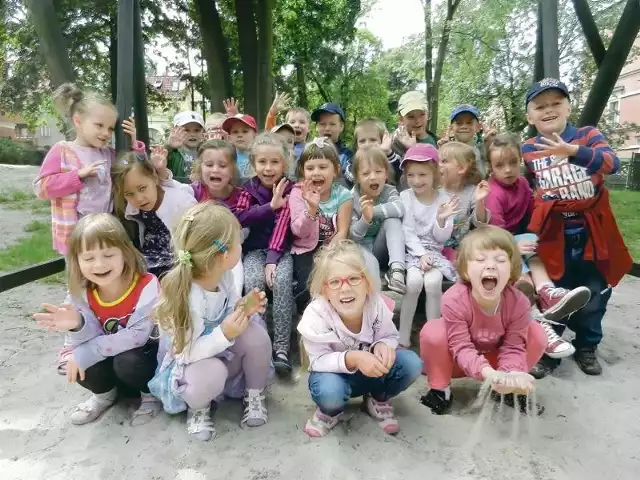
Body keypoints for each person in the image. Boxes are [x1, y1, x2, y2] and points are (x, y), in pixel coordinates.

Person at [521, 78, 632, 377]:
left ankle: (587, 346)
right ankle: (549, 350)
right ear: (529, 116)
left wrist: (572, 151)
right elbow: (525, 189)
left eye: (556, 103)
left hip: (591, 232)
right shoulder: (528, 150)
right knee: (554, 293)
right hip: (553, 234)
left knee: (595, 292)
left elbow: (612, 164)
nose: (548, 110)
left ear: (569, 106)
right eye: (539, 106)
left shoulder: (588, 135)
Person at [149, 203, 272, 441]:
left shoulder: (224, 275)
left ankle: (254, 394)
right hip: (194, 366)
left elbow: (227, 306)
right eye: (238, 242)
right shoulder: (188, 297)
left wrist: (245, 307)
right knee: (211, 372)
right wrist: (224, 334)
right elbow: (185, 354)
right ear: (224, 254)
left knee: (256, 336)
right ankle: (199, 408)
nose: (241, 246)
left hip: (222, 351)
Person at [34, 213, 161, 425]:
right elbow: (78, 343)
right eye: (89, 258)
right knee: (70, 363)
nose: (99, 265)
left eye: (109, 255)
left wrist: (85, 353)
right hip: (108, 364)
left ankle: (149, 396)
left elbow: (138, 336)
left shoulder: (146, 285)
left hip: (142, 365)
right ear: (76, 261)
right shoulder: (80, 291)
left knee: (126, 360)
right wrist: (77, 326)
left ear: (125, 252)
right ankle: (104, 395)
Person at [297, 240, 423, 437]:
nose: (345, 288)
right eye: (335, 282)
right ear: (324, 290)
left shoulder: (375, 303)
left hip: (372, 374)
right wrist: (353, 358)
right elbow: (318, 360)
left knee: (411, 363)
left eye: (353, 278)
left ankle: (377, 398)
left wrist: (383, 345)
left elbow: (389, 335)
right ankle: (329, 411)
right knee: (329, 393)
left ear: (366, 282)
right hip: (333, 377)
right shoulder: (316, 314)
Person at [484, 133, 591, 360]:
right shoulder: (493, 193)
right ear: (490, 167)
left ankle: (547, 291)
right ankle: (540, 326)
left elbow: (534, 214)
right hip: (494, 245)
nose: (508, 170)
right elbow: (493, 235)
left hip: (518, 240)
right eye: (500, 165)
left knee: (534, 248)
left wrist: (531, 237)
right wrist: (514, 245)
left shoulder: (522, 184)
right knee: (523, 284)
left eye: (513, 162)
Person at [419, 226, 546, 415]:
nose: (491, 265)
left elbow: (514, 347)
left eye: (501, 260)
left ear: (512, 269)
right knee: (434, 332)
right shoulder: (454, 298)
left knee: (537, 333)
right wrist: (487, 373)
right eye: (480, 259)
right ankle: (440, 390)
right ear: (465, 270)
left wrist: (510, 374)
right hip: (457, 361)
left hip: (497, 358)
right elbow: (460, 346)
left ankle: (508, 390)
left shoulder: (518, 302)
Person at [33, 83, 143, 256]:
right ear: (78, 120)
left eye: (110, 128)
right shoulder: (62, 151)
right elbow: (41, 188)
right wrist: (77, 176)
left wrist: (134, 143)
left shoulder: (108, 154)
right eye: (99, 125)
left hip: (104, 231)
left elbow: (132, 167)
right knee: (79, 279)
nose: (106, 133)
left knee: (101, 276)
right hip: (74, 235)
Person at [149, 140, 246, 296]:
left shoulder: (241, 196)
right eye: (209, 165)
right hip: (199, 255)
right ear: (200, 167)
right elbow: (172, 187)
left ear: (233, 169)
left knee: (233, 273)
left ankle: (233, 304)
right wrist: (161, 170)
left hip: (227, 251)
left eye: (222, 166)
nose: (215, 170)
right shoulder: (193, 192)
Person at [234, 133, 295, 375]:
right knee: (252, 282)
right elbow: (239, 217)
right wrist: (269, 207)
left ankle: (281, 348)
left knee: (281, 282)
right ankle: (257, 343)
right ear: (253, 163)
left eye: (274, 162)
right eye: (262, 162)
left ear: (284, 163)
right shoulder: (247, 190)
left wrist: (272, 260)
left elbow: (283, 224)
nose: (268, 168)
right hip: (253, 251)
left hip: (281, 252)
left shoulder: (292, 188)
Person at [398, 144, 459, 347]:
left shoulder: (444, 199)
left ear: (435, 174)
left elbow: (442, 238)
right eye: (411, 175)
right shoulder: (405, 197)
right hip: (412, 251)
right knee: (413, 283)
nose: (416, 181)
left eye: (422, 175)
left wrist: (441, 220)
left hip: (434, 253)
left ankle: (433, 340)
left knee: (433, 284)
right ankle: (403, 338)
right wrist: (421, 254)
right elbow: (406, 231)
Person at [289, 137, 353, 312]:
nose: (316, 172)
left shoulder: (344, 195)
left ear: (335, 170)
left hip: (333, 248)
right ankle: (309, 320)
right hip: (305, 249)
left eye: (323, 167)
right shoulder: (297, 193)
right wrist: (311, 209)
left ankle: (336, 318)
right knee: (307, 285)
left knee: (335, 279)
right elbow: (298, 232)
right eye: (310, 168)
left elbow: (343, 231)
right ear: (303, 171)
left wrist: (326, 256)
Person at [111, 152, 197, 279]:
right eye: (129, 194)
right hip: (149, 260)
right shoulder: (130, 208)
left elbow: (199, 231)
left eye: (142, 188)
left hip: (178, 261)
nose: (139, 198)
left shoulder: (181, 201)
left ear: (155, 178)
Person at [349, 147, 406, 293]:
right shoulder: (352, 197)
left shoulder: (389, 191)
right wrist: (365, 219)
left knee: (393, 220)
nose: (373, 177)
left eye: (378, 171)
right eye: (366, 173)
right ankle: (375, 306)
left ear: (386, 173)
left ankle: (397, 271)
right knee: (372, 263)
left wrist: (372, 211)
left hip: (382, 249)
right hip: (361, 249)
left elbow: (400, 208)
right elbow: (353, 237)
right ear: (357, 178)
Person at [438, 141, 491, 260]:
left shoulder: (472, 191)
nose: (438, 165)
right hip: (436, 247)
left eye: (444, 161)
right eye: (438, 160)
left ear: (461, 168)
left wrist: (479, 201)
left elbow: (480, 223)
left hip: (461, 249)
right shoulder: (434, 190)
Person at [440, 104, 493, 178]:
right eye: (459, 123)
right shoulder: (444, 152)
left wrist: (493, 144)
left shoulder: (482, 151)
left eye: (469, 123)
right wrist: (442, 154)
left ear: (478, 127)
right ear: (451, 127)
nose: (464, 126)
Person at [311, 102, 354, 186]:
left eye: (332, 124)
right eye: (322, 124)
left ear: (341, 127)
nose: (327, 128)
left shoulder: (348, 156)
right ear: (316, 127)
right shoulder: (308, 152)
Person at [353, 118, 402, 185]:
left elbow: (399, 176)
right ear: (356, 146)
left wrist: (387, 152)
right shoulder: (352, 162)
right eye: (362, 141)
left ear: (383, 141)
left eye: (373, 140)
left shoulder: (391, 158)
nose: (367, 144)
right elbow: (352, 179)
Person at [391, 90, 438, 160]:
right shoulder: (396, 144)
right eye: (411, 117)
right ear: (401, 119)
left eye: (422, 114)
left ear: (428, 114)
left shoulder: (437, 141)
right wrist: (413, 149)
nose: (418, 121)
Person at [166, 111, 205, 183]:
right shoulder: (173, 152)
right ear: (175, 131)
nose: (192, 134)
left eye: (197, 130)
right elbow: (158, 165)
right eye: (186, 130)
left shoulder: (206, 151)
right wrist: (169, 147)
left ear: (202, 132)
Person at [222, 113, 258, 180]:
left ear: (255, 136)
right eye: (235, 132)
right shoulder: (227, 157)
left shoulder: (260, 156)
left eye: (245, 131)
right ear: (229, 138)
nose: (239, 135)